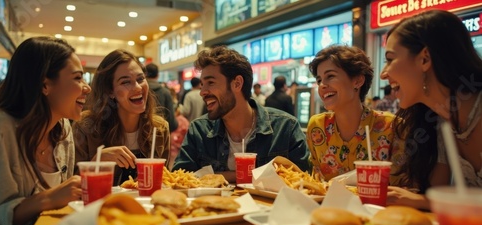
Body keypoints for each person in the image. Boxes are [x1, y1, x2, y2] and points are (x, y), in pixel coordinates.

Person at [0, 37, 89, 225]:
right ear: (44, 85)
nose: (87, 87)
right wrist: (47, 198)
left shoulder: (63, 130)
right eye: (77, 78)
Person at [380, 10, 482, 210]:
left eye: (391, 59)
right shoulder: (441, 121)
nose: (384, 74)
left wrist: (423, 201)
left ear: (424, 59)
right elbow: (438, 193)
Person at [173, 46, 309, 182]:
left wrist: (219, 177)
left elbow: (305, 181)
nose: (202, 92)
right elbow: (181, 179)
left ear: (237, 84)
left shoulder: (285, 128)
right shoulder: (199, 131)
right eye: (202, 84)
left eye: (210, 83)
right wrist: (240, 176)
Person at [73, 49, 170, 186]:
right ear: (110, 91)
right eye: (125, 82)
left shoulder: (159, 128)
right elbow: (71, 184)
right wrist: (97, 161)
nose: (137, 87)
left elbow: (166, 179)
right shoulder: (86, 126)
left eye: (140, 79)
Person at [306, 45, 400, 182]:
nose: (322, 85)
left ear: (358, 81)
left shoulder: (390, 127)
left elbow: (402, 185)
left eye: (330, 76)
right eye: (319, 80)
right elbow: (316, 182)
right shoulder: (317, 127)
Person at [145, 63, 179, 132]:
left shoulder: (140, 91)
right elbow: (171, 122)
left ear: (145, 75)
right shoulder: (165, 92)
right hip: (161, 133)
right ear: (158, 75)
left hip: (141, 133)